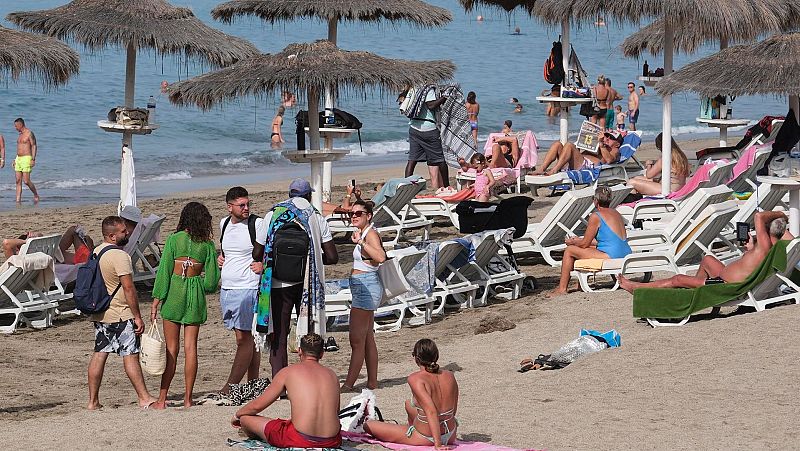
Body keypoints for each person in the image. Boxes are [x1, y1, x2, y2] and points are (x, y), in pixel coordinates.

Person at [264, 179, 338, 377]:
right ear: (308, 196)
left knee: (279, 334)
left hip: (279, 283)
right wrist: (309, 258)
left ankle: (280, 383)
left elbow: (258, 252)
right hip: (308, 284)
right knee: (309, 333)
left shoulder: (273, 214)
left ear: (290, 194)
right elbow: (332, 257)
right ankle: (309, 376)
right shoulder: (316, 216)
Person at [151, 202, 220, 409]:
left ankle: (162, 399)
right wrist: (198, 281)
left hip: (174, 294)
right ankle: (188, 400)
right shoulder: (207, 245)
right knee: (191, 348)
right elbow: (210, 283)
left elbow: (163, 273)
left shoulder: (173, 239)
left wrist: (156, 300)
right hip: (194, 296)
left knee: (172, 349)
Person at [619, 211, 789, 292]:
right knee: (707, 259)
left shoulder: (765, 246)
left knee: (677, 278)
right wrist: (751, 249)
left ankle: (638, 288)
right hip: (727, 276)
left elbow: (759, 216)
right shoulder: (771, 247)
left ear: (766, 231)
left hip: (726, 285)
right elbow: (784, 237)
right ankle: (698, 294)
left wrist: (780, 214)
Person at [87, 216, 157, 410]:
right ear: (112, 236)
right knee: (130, 355)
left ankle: (93, 401)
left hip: (101, 313)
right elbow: (128, 289)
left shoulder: (96, 252)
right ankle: (143, 397)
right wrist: (137, 316)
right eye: (123, 232)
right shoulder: (119, 256)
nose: (127, 233)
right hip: (120, 313)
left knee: (100, 353)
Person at [232, 333, 342, 448]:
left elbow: (257, 406)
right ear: (322, 354)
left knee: (245, 419)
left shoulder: (288, 372)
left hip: (299, 438)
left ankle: (257, 434)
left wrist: (237, 415)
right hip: (332, 440)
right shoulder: (332, 375)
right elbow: (336, 412)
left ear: (299, 351)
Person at [364, 339, 459, 449]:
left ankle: (412, 433)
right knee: (409, 404)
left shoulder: (416, 378)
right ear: (436, 355)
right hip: (450, 432)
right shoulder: (449, 375)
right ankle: (411, 428)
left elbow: (431, 411)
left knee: (369, 425)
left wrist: (438, 444)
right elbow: (454, 408)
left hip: (427, 436)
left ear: (417, 359)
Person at [217, 187, 266, 394]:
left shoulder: (257, 223)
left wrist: (264, 265)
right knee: (248, 338)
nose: (246, 208)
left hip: (248, 287)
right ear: (230, 207)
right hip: (228, 287)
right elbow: (227, 250)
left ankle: (231, 386)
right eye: (241, 205)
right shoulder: (224, 223)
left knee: (244, 339)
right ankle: (253, 383)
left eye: (248, 204)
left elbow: (271, 249)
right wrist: (221, 257)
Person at [551, 186, 631, 296]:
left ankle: (562, 289)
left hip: (611, 255)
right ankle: (580, 285)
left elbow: (584, 244)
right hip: (625, 252)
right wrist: (578, 241)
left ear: (596, 201)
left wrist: (573, 242)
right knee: (582, 249)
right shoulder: (616, 213)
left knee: (570, 250)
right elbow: (608, 240)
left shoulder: (596, 216)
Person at [342, 199, 386, 391]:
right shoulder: (366, 232)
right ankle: (372, 382)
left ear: (368, 216)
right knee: (367, 338)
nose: (354, 216)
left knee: (356, 339)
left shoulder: (370, 234)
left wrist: (360, 242)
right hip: (365, 286)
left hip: (365, 287)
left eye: (358, 213)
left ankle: (349, 384)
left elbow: (381, 257)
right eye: (352, 213)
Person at [401, 86, 450, 190]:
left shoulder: (413, 89)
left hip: (414, 128)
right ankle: (447, 187)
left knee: (412, 159)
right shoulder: (428, 90)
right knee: (440, 159)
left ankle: (406, 186)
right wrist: (444, 98)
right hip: (429, 129)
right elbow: (431, 105)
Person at [532, 130, 623, 176]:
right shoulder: (601, 146)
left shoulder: (615, 150)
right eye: (606, 136)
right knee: (557, 144)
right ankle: (542, 168)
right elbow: (581, 152)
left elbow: (609, 160)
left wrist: (601, 145)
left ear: (617, 144)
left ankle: (555, 170)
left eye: (610, 138)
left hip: (586, 167)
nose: (606, 138)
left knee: (569, 145)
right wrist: (581, 143)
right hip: (576, 162)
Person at [3, 225, 93, 262]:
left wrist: (36, 236)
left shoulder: (41, 250)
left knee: (74, 229)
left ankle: (89, 254)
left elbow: (41, 235)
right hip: (54, 260)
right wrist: (27, 241)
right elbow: (6, 242)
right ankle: (89, 256)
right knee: (86, 248)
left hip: (51, 256)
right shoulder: (16, 259)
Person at [13, 118, 39, 204]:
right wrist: (15, 159)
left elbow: (34, 145)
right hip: (18, 158)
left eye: (16, 126)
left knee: (26, 181)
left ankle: (35, 194)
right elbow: (19, 148)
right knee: (17, 181)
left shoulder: (29, 133)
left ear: (21, 124)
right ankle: (18, 200)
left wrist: (33, 159)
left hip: (27, 158)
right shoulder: (20, 135)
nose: (15, 127)